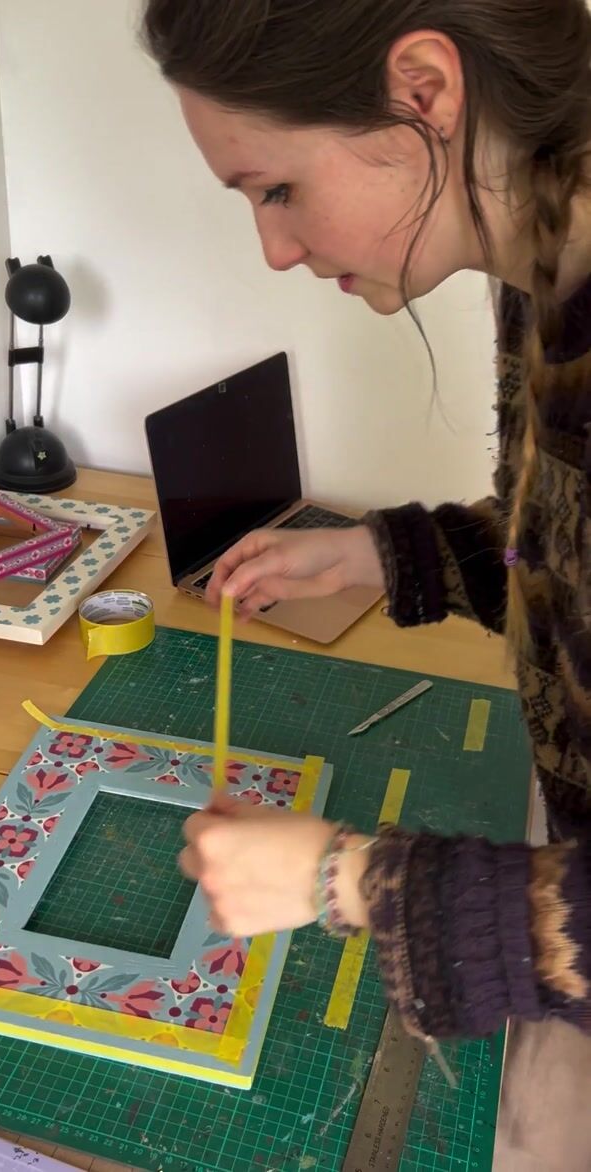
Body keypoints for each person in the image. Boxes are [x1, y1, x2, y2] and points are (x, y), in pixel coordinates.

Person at [141, 4, 591, 1167]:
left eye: (276, 189)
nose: (273, 249)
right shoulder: (545, 249)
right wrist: (382, 555)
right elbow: (564, 547)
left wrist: (350, 879)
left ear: (424, 90)